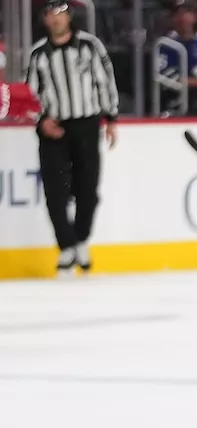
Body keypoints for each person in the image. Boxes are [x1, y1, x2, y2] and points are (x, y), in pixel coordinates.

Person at [25, 0, 118, 275]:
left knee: (88, 189)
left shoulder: (90, 46)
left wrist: (111, 119)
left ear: (69, 17)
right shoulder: (38, 53)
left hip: (86, 124)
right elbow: (30, 95)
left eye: (60, 13)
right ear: (44, 20)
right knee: (55, 191)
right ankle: (66, 246)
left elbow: (106, 81)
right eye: (50, 14)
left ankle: (80, 239)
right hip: (53, 128)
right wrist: (41, 121)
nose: (55, 19)